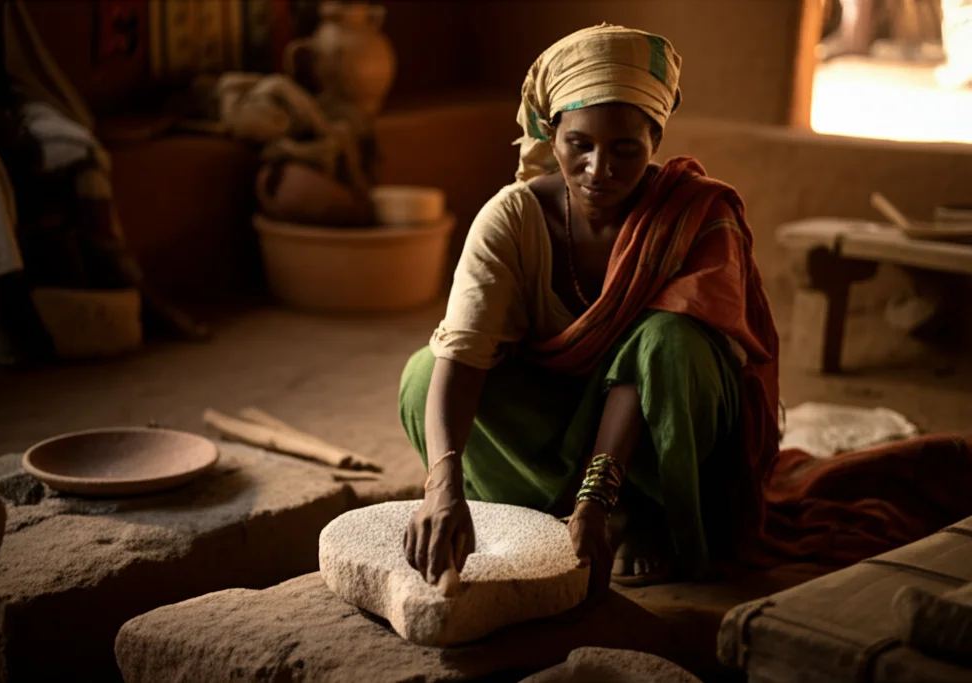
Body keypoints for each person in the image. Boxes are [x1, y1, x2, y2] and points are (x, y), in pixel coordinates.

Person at [398, 24, 972, 596]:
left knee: (669, 340)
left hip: (655, 426)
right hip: (561, 422)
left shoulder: (692, 217)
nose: (600, 169)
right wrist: (440, 485)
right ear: (552, 135)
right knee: (426, 375)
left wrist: (598, 499)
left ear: (655, 139)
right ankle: (535, 511)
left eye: (626, 148)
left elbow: (647, 369)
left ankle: (652, 516)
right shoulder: (511, 220)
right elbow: (465, 350)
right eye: (580, 146)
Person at [0, 0, 205, 367]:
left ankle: (132, 286)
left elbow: (9, 69)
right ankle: (1, 309)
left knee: (78, 149)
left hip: (3, 106)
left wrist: (6, 117)